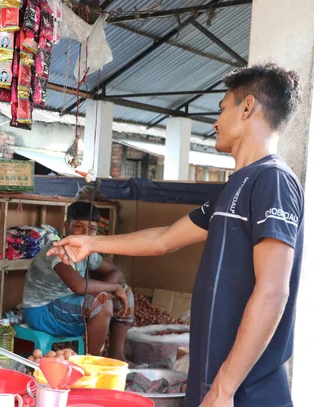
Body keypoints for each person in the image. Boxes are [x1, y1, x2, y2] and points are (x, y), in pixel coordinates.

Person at [47, 63, 303, 407]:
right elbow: (164, 239)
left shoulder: (273, 180)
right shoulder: (235, 187)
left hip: (247, 391)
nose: (215, 121)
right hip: (213, 379)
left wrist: (225, 388)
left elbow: (273, 292)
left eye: (222, 108)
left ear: (247, 107)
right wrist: (91, 242)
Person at [22, 201, 134, 359]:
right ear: (67, 225)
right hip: (42, 312)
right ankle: (93, 364)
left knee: (125, 291)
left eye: (92, 229)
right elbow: (79, 287)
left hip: (66, 308)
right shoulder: (56, 250)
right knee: (101, 302)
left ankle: (117, 357)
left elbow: (115, 271)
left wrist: (113, 288)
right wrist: (112, 288)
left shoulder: (86, 251)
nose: (85, 233)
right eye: (79, 226)